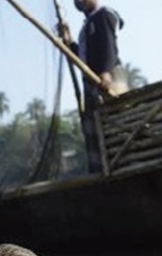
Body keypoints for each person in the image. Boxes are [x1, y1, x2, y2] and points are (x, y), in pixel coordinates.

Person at [60, 0, 126, 174]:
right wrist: (69, 42)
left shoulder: (103, 15)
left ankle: (119, 164)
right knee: (94, 126)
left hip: (106, 78)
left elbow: (108, 46)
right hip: (91, 80)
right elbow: (83, 59)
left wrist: (105, 71)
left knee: (114, 123)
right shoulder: (88, 24)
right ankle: (100, 169)